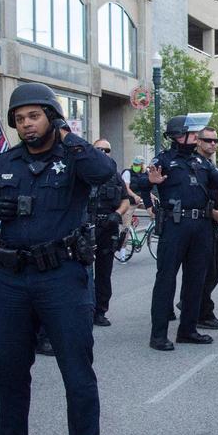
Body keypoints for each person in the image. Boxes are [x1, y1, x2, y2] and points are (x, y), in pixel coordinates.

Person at [0, 83, 115, 435]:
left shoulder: (73, 159)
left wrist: (67, 135)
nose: (26, 125)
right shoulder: (6, 163)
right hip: (13, 280)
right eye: (19, 119)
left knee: (76, 372)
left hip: (61, 278)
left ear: (51, 117)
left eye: (34, 116)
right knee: (9, 373)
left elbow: (104, 174)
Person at [146, 114, 218, 351]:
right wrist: (149, 181)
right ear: (177, 136)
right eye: (192, 133)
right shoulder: (163, 160)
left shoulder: (201, 162)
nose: (196, 137)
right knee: (166, 279)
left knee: (196, 279)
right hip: (175, 225)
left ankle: (188, 330)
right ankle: (159, 334)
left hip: (201, 226)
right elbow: (140, 182)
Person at [89, 138, 129, 327]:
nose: (103, 153)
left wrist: (117, 214)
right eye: (99, 149)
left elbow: (126, 200)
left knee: (104, 272)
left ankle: (100, 311)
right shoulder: (82, 171)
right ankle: (84, 309)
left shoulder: (114, 174)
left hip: (108, 226)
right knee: (81, 271)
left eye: (106, 150)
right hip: (86, 227)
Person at [193, 126, 218, 330]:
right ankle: (202, 311)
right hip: (201, 221)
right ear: (198, 141)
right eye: (208, 140)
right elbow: (196, 194)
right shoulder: (195, 164)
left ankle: (195, 302)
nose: (213, 144)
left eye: (215, 140)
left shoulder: (208, 163)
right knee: (207, 268)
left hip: (211, 221)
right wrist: (212, 211)